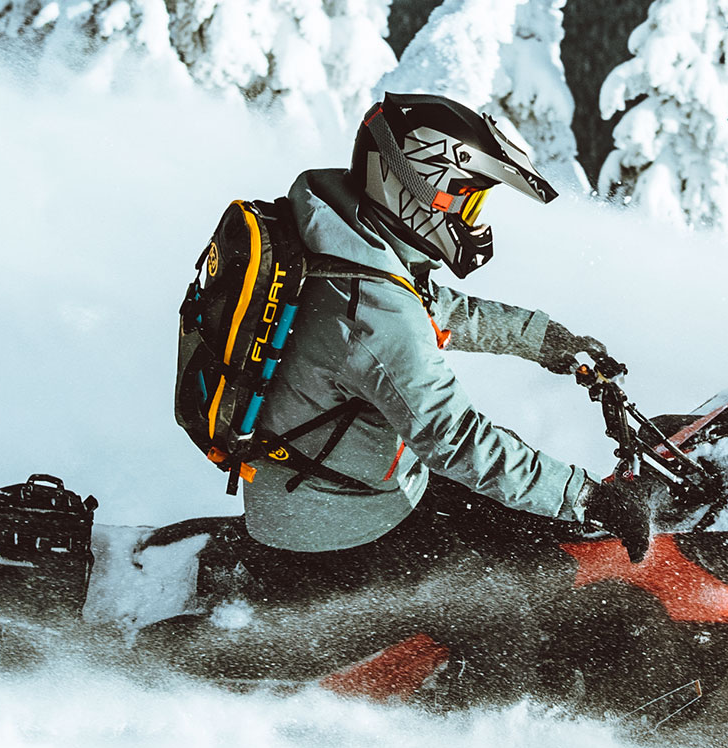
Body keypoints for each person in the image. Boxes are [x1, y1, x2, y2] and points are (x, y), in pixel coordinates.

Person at [209, 93, 662, 642]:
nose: (472, 221)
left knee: (521, 521)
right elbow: (457, 441)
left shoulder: (349, 244)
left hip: (334, 488)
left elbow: (438, 311)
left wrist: (549, 341)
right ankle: (500, 719)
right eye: (467, 201)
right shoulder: (371, 309)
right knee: (511, 608)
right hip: (333, 530)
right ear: (418, 186)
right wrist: (589, 496)